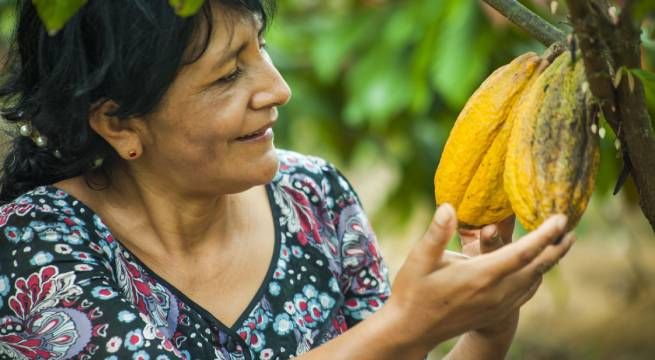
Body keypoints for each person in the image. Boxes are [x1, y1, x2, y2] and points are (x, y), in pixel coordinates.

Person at [0, 0, 574, 359]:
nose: (278, 89)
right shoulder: (34, 244)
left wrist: (486, 333)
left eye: (263, 47)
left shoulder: (315, 196)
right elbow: (387, 342)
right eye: (228, 74)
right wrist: (406, 324)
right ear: (118, 122)